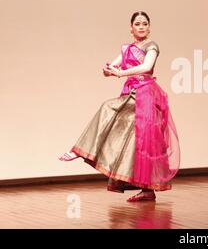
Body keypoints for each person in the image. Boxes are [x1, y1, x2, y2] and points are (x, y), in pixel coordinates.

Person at [59, 11, 180, 202]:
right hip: (131, 92)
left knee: (142, 140)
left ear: (149, 27)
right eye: (138, 24)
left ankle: (147, 189)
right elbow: (113, 66)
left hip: (146, 93)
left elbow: (146, 67)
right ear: (131, 28)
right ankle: (146, 190)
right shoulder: (127, 48)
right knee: (128, 137)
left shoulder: (152, 46)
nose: (141, 27)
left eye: (145, 24)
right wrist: (108, 70)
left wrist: (120, 73)